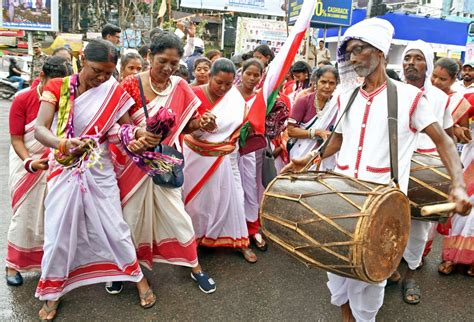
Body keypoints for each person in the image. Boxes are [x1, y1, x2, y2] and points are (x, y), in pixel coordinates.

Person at [282, 18, 471, 322]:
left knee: (370, 282)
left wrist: (458, 184)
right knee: (337, 273)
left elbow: (444, 142)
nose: (353, 58)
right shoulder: (347, 95)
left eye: (360, 50)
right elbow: (339, 139)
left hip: (381, 205)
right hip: (341, 198)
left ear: (380, 52)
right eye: (350, 53)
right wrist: (313, 156)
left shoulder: (410, 98)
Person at [34, 39, 156, 320]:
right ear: (81, 60)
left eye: (108, 72)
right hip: (65, 165)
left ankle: (137, 277)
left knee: (115, 225)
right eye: (96, 71)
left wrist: (137, 135)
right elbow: (41, 129)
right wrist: (62, 145)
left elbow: (122, 128)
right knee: (58, 231)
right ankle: (52, 292)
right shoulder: (58, 88)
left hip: (100, 167)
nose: (101, 78)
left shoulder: (111, 90)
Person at [117, 32, 216, 294]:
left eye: (174, 64)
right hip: (133, 165)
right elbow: (120, 125)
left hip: (164, 165)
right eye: (162, 61)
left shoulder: (181, 87)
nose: (168, 68)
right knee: (130, 219)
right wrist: (138, 136)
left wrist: (202, 122)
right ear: (149, 56)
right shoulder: (129, 84)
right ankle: (124, 269)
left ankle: (195, 267)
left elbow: (188, 126)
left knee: (178, 217)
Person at [182, 58, 257, 263]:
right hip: (196, 156)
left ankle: (240, 241)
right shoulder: (193, 93)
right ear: (209, 77)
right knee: (196, 204)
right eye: (219, 82)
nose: (223, 88)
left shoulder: (236, 99)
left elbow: (240, 127)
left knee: (233, 199)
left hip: (226, 156)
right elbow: (182, 125)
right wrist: (200, 124)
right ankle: (192, 242)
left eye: (228, 84)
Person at [6, 56, 71, 287]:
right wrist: (29, 163)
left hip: (55, 162)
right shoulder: (22, 99)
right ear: (42, 77)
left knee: (53, 216)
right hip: (27, 163)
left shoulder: (66, 99)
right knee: (24, 214)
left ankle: (49, 263)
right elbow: (16, 139)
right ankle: (13, 264)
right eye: (53, 84)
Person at [397, 39, 453, 305]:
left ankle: (411, 274)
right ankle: (384, 269)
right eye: (407, 58)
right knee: (388, 223)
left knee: (418, 231)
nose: (411, 63)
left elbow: (447, 135)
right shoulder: (391, 92)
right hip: (393, 168)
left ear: (428, 64)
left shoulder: (441, 98)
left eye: (418, 58)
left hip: (425, 173)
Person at [236, 58, 267, 255]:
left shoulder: (262, 98)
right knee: (232, 191)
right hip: (227, 151)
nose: (252, 78)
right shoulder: (229, 94)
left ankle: (253, 228)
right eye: (249, 73)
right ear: (242, 72)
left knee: (250, 187)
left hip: (250, 151)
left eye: (257, 75)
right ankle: (236, 232)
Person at [287, 66, 339, 163]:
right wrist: (317, 132)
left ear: (336, 85)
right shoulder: (303, 101)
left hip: (326, 156)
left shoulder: (336, 104)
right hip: (301, 155)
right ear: (316, 82)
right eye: (323, 82)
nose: (327, 86)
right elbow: (291, 131)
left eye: (331, 83)